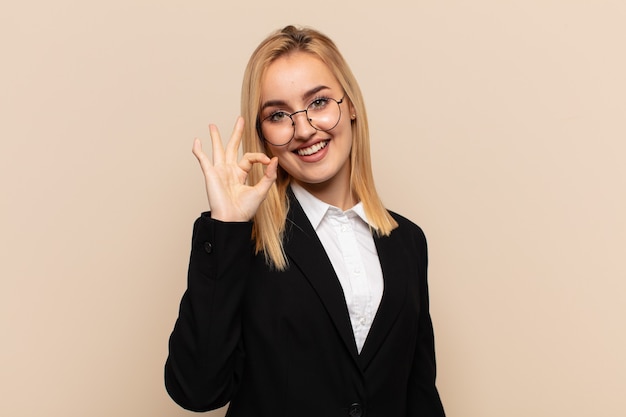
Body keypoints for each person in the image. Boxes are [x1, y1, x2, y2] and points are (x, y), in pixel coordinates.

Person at [164, 25, 446, 417]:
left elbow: (420, 396)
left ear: (350, 106)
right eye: (278, 114)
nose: (304, 128)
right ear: (263, 135)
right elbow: (196, 389)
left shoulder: (407, 241)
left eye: (319, 102)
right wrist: (225, 226)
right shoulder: (243, 243)